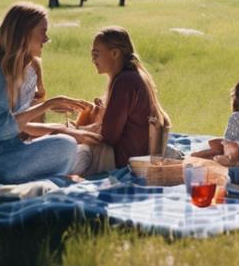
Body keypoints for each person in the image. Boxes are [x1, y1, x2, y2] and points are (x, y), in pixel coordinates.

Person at [0, 2, 100, 183]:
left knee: (66, 144)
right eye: (43, 31)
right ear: (24, 33)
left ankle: (34, 176)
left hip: (2, 153)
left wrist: (62, 129)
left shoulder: (26, 71)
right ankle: (37, 177)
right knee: (67, 147)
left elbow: (17, 125)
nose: (47, 39)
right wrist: (47, 105)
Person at [69, 26, 171, 175]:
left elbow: (108, 136)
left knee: (71, 148)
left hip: (123, 161)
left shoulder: (125, 81)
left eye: (96, 54)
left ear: (115, 53)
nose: (93, 60)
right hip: (136, 154)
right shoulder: (133, 75)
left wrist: (76, 131)